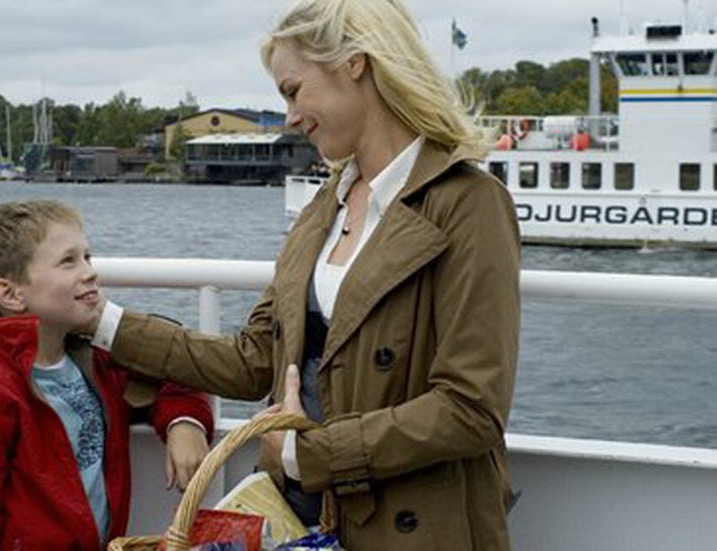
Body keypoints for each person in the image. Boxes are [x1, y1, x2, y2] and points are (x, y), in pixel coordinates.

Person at [88, 0, 520, 549]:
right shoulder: (325, 206)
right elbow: (254, 361)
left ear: (354, 63)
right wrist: (103, 324)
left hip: (412, 526)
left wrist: (305, 453)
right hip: (306, 521)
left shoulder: (469, 203)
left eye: (293, 90)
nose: (290, 116)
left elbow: (471, 407)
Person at [0, 199, 213, 551]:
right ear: (10, 294)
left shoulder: (99, 365)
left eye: (87, 257)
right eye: (68, 261)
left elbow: (173, 369)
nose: (89, 272)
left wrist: (185, 422)